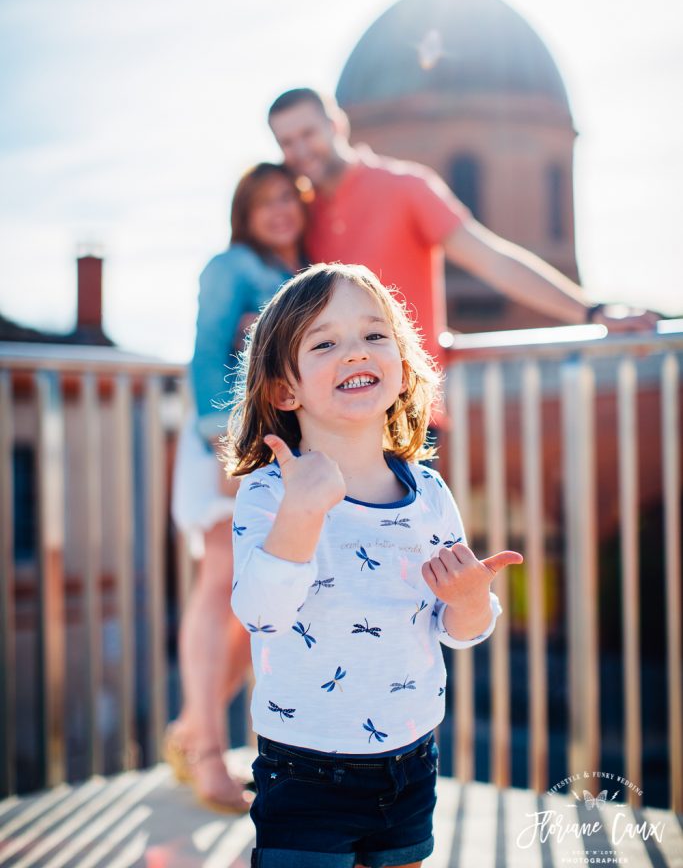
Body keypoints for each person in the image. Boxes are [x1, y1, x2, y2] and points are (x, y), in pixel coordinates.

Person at [225, 262, 524, 867]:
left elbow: (459, 629)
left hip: (412, 757)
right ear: (285, 390)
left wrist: (469, 602)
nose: (355, 352)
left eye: (373, 335)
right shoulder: (269, 495)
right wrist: (301, 517)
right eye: (325, 342)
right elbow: (260, 614)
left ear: (402, 363)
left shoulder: (431, 493)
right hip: (304, 766)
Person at [266, 87, 660, 378]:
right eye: (287, 142)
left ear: (337, 125)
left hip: (406, 412)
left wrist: (590, 311)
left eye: (308, 134)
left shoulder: (405, 186)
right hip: (332, 415)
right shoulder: (297, 213)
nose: (300, 149)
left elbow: (492, 259)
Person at [167, 162, 308, 814]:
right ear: (244, 212)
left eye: (288, 197)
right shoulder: (231, 268)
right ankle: (203, 752)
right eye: (265, 201)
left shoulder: (301, 277)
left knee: (258, 601)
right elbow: (203, 354)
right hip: (224, 445)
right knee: (220, 583)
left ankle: (203, 734)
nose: (279, 210)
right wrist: (225, 449)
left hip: (276, 454)